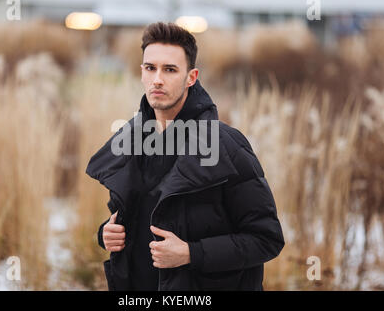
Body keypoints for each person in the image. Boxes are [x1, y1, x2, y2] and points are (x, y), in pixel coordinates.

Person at [86, 22, 285, 291]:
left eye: (170, 69)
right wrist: (106, 234)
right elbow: (133, 217)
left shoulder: (226, 146)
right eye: (150, 68)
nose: (157, 79)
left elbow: (266, 239)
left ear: (191, 77)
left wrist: (191, 253)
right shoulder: (130, 140)